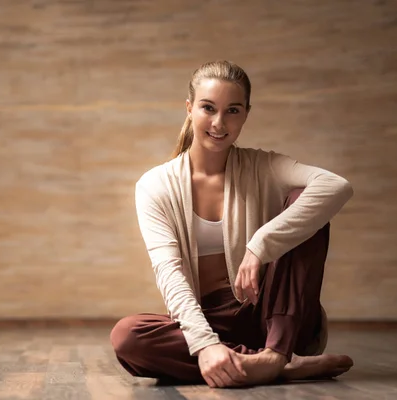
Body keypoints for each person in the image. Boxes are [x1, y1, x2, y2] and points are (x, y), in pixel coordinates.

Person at [110, 60, 355, 388]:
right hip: (209, 324)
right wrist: (206, 344)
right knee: (129, 337)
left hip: (276, 317)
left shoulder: (263, 166)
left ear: (246, 114)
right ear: (189, 108)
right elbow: (169, 272)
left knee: (305, 202)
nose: (219, 123)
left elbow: (335, 186)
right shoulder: (155, 186)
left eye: (233, 111)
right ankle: (273, 366)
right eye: (208, 108)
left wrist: (260, 245)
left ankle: (274, 354)